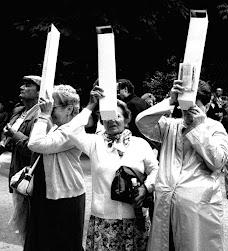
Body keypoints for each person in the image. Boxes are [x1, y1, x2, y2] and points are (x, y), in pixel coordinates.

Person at [135, 79, 228, 251]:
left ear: (207, 107)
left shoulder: (215, 127)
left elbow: (218, 162)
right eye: (185, 107)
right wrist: (169, 101)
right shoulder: (171, 125)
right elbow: (142, 122)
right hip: (166, 203)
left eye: (195, 107)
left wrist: (198, 128)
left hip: (197, 208)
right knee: (166, 245)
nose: (188, 113)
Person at [64, 86, 159, 251]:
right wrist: (90, 106)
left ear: (126, 119)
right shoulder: (95, 143)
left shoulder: (140, 144)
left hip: (135, 218)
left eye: (118, 116)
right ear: (102, 120)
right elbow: (71, 131)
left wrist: (146, 187)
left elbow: (156, 171)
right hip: (103, 219)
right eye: (107, 116)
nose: (112, 120)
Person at [25, 85, 85, 251]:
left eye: (53, 107)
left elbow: (35, 144)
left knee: (62, 242)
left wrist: (44, 115)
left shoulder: (73, 129)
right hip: (49, 191)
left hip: (65, 195)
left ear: (69, 109)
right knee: (45, 241)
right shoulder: (57, 127)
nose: (49, 110)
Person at [5, 75, 41, 243]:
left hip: (31, 176)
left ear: (39, 92)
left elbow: (34, 149)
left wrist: (14, 134)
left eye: (28, 85)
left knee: (31, 223)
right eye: (23, 84)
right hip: (17, 173)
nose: (22, 87)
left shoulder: (41, 116)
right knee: (22, 221)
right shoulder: (18, 111)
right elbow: (6, 142)